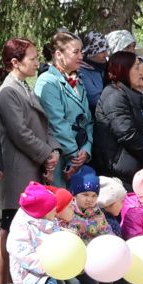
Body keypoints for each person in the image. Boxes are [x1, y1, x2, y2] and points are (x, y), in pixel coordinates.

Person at [0, 36, 56, 284]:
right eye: (32, 58)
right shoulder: (8, 92)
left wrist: (52, 151)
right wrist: (45, 154)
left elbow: (42, 125)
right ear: (15, 63)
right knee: (10, 224)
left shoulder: (24, 87)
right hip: (17, 168)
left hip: (31, 165)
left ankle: (13, 283)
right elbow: (19, 133)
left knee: (23, 224)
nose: (37, 63)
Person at [6, 182, 87, 284]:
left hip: (52, 269)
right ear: (41, 210)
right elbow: (23, 255)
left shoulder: (50, 222)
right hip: (29, 273)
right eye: (52, 208)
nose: (56, 211)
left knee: (74, 283)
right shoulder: (22, 227)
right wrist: (46, 266)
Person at [91, 49, 143, 183]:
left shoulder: (131, 94)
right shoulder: (114, 95)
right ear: (123, 70)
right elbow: (127, 135)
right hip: (118, 171)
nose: (141, 71)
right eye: (136, 67)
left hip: (135, 166)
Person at [34, 32, 92, 188]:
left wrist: (86, 150)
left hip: (79, 155)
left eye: (81, 51)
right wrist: (74, 156)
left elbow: (88, 120)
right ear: (59, 54)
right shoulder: (47, 82)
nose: (81, 56)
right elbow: (56, 123)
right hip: (59, 158)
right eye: (76, 52)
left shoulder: (77, 81)